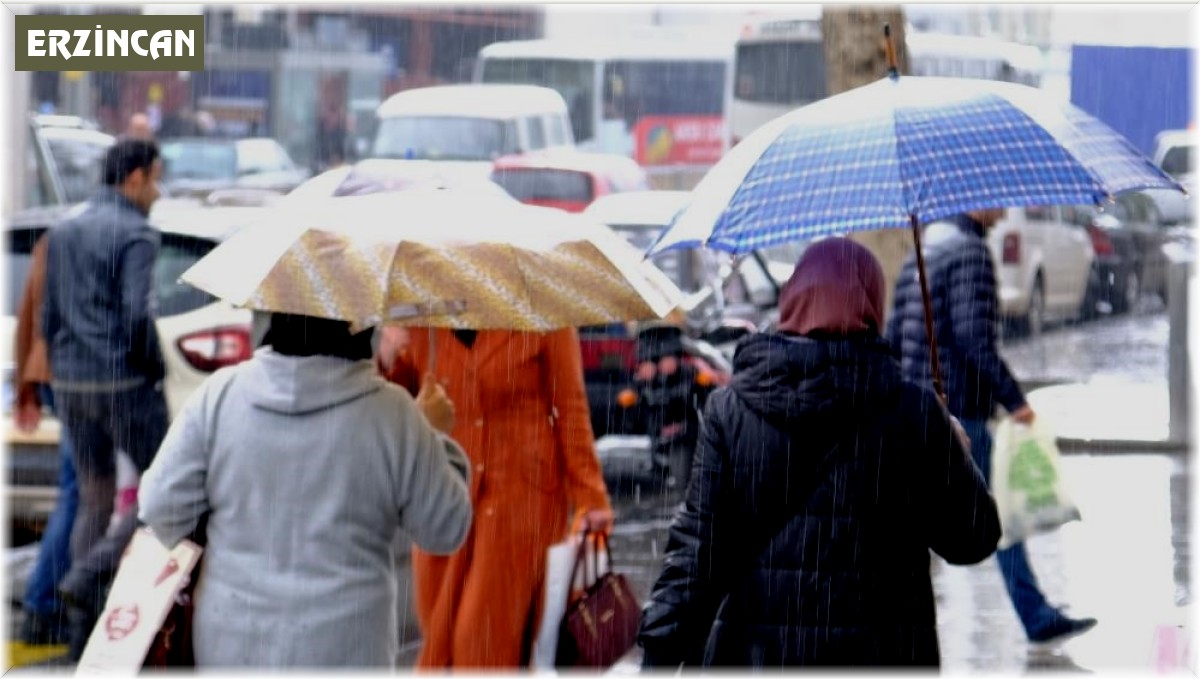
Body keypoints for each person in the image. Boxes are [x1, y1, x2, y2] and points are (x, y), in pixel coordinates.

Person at [638, 238, 1001, 669]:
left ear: (793, 299)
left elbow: (698, 549)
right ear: (872, 304)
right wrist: (955, 451)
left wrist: (660, 652)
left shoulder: (730, 409)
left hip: (761, 657)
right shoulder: (913, 412)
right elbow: (972, 540)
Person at [138, 313, 472, 668]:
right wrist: (435, 437)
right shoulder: (392, 415)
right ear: (362, 327)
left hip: (232, 642)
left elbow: (161, 510)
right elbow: (445, 530)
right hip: (348, 648)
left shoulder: (219, 398)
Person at [886, 209, 1099, 644]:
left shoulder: (923, 248)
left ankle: (899, 621)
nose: (1003, 208)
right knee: (996, 516)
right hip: (958, 410)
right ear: (972, 204)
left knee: (911, 521)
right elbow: (973, 338)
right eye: (994, 199)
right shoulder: (969, 252)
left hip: (915, 409)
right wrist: (1015, 401)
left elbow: (894, 332)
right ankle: (1035, 614)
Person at [377, 326, 615, 668]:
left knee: (482, 636)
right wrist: (386, 356)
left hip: (521, 496)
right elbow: (394, 406)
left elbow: (569, 404)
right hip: (444, 493)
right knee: (440, 633)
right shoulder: (421, 317)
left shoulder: (540, 311)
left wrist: (590, 495)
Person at [42, 139, 170, 655]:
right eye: (157, 179)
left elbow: (49, 316)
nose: (158, 192)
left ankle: (79, 631)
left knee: (94, 495)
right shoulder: (136, 233)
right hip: (122, 382)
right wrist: (152, 368)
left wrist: (62, 372)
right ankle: (91, 576)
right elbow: (137, 315)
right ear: (136, 177)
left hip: (71, 381)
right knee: (166, 489)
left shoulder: (65, 230)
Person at [14, 232, 78, 646]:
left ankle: (49, 599)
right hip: (82, 375)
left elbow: (28, 313)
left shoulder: (56, 239)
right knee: (83, 493)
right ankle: (44, 602)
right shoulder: (110, 237)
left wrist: (26, 385)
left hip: (52, 372)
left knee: (80, 490)